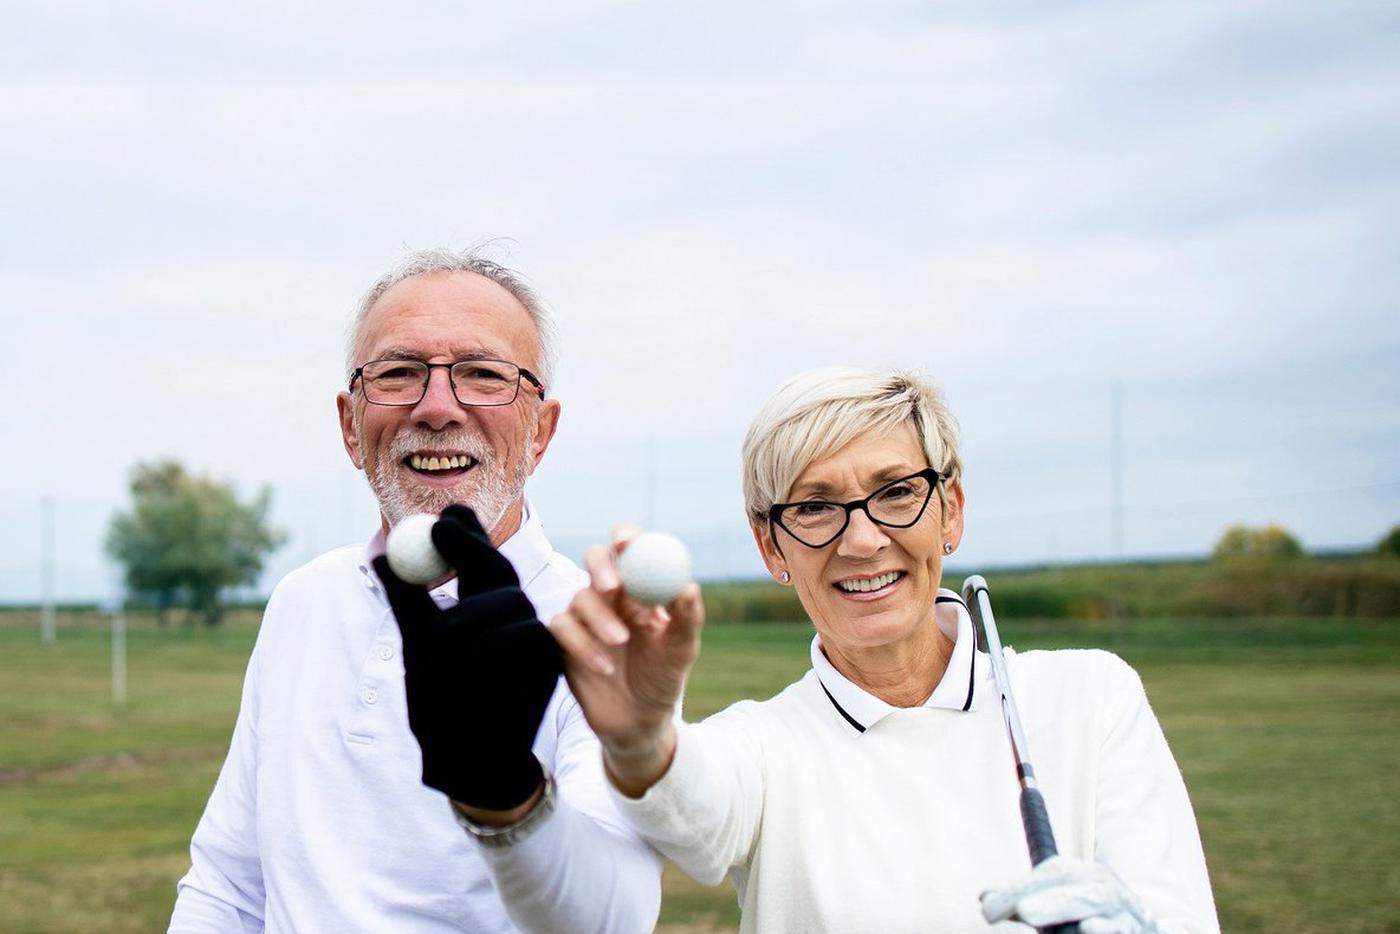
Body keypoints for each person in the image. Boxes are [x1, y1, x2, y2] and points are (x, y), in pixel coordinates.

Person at [549, 366, 1221, 933]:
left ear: (950, 510)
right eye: (814, 507)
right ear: (770, 547)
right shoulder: (757, 745)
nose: (862, 539)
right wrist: (641, 739)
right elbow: (694, 819)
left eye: (897, 492)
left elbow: (1178, 913)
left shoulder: (1093, 696)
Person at [169, 248, 660, 933]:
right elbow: (228, 882)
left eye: (482, 374)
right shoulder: (303, 600)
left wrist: (506, 796)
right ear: (350, 425)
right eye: (398, 373)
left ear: (540, 431)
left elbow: (613, 920)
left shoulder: (594, 629)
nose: (435, 408)